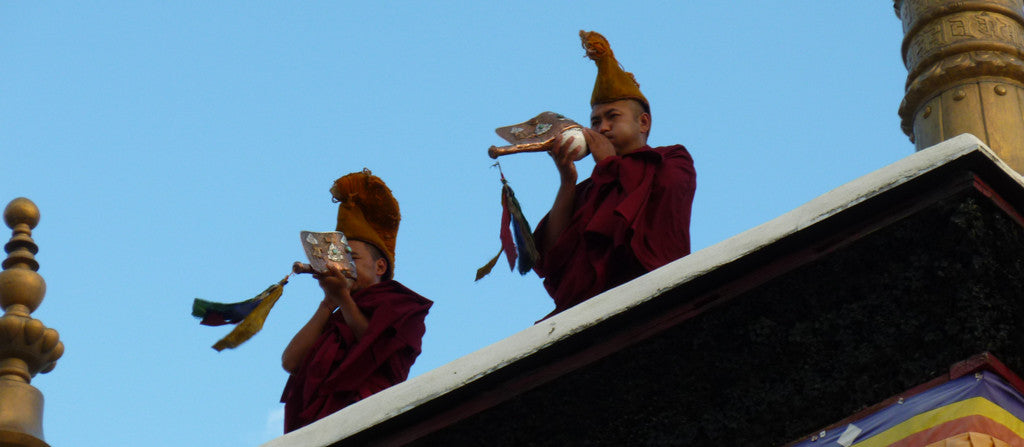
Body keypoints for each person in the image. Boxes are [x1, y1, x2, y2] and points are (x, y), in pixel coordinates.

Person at [533, 30, 696, 319]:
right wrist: (567, 182)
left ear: (643, 122)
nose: (602, 127)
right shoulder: (590, 187)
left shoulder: (671, 159)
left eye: (613, 117)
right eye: (595, 121)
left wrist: (608, 163)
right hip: (585, 310)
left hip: (650, 297)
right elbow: (552, 251)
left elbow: (668, 199)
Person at [280, 169, 433, 433]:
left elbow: (380, 350)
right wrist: (328, 304)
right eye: (340, 259)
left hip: (369, 421)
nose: (344, 266)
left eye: (354, 258)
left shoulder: (400, 305)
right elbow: (290, 361)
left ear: (380, 266)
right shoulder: (333, 315)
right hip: (319, 429)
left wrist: (343, 300)